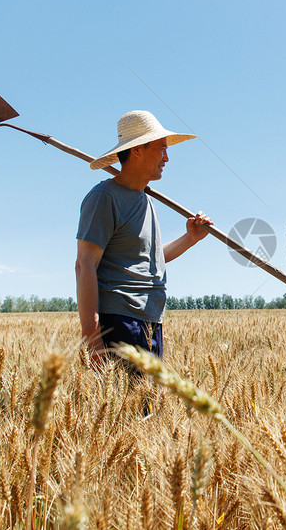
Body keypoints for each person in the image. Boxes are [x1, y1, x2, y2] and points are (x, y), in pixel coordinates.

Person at [75, 110, 213, 365]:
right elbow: (85, 264)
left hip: (150, 321)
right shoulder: (104, 197)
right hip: (120, 320)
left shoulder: (146, 201)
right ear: (137, 149)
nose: (167, 158)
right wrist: (92, 335)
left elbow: (151, 259)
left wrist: (190, 238)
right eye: (161, 148)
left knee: (146, 404)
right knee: (126, 403)